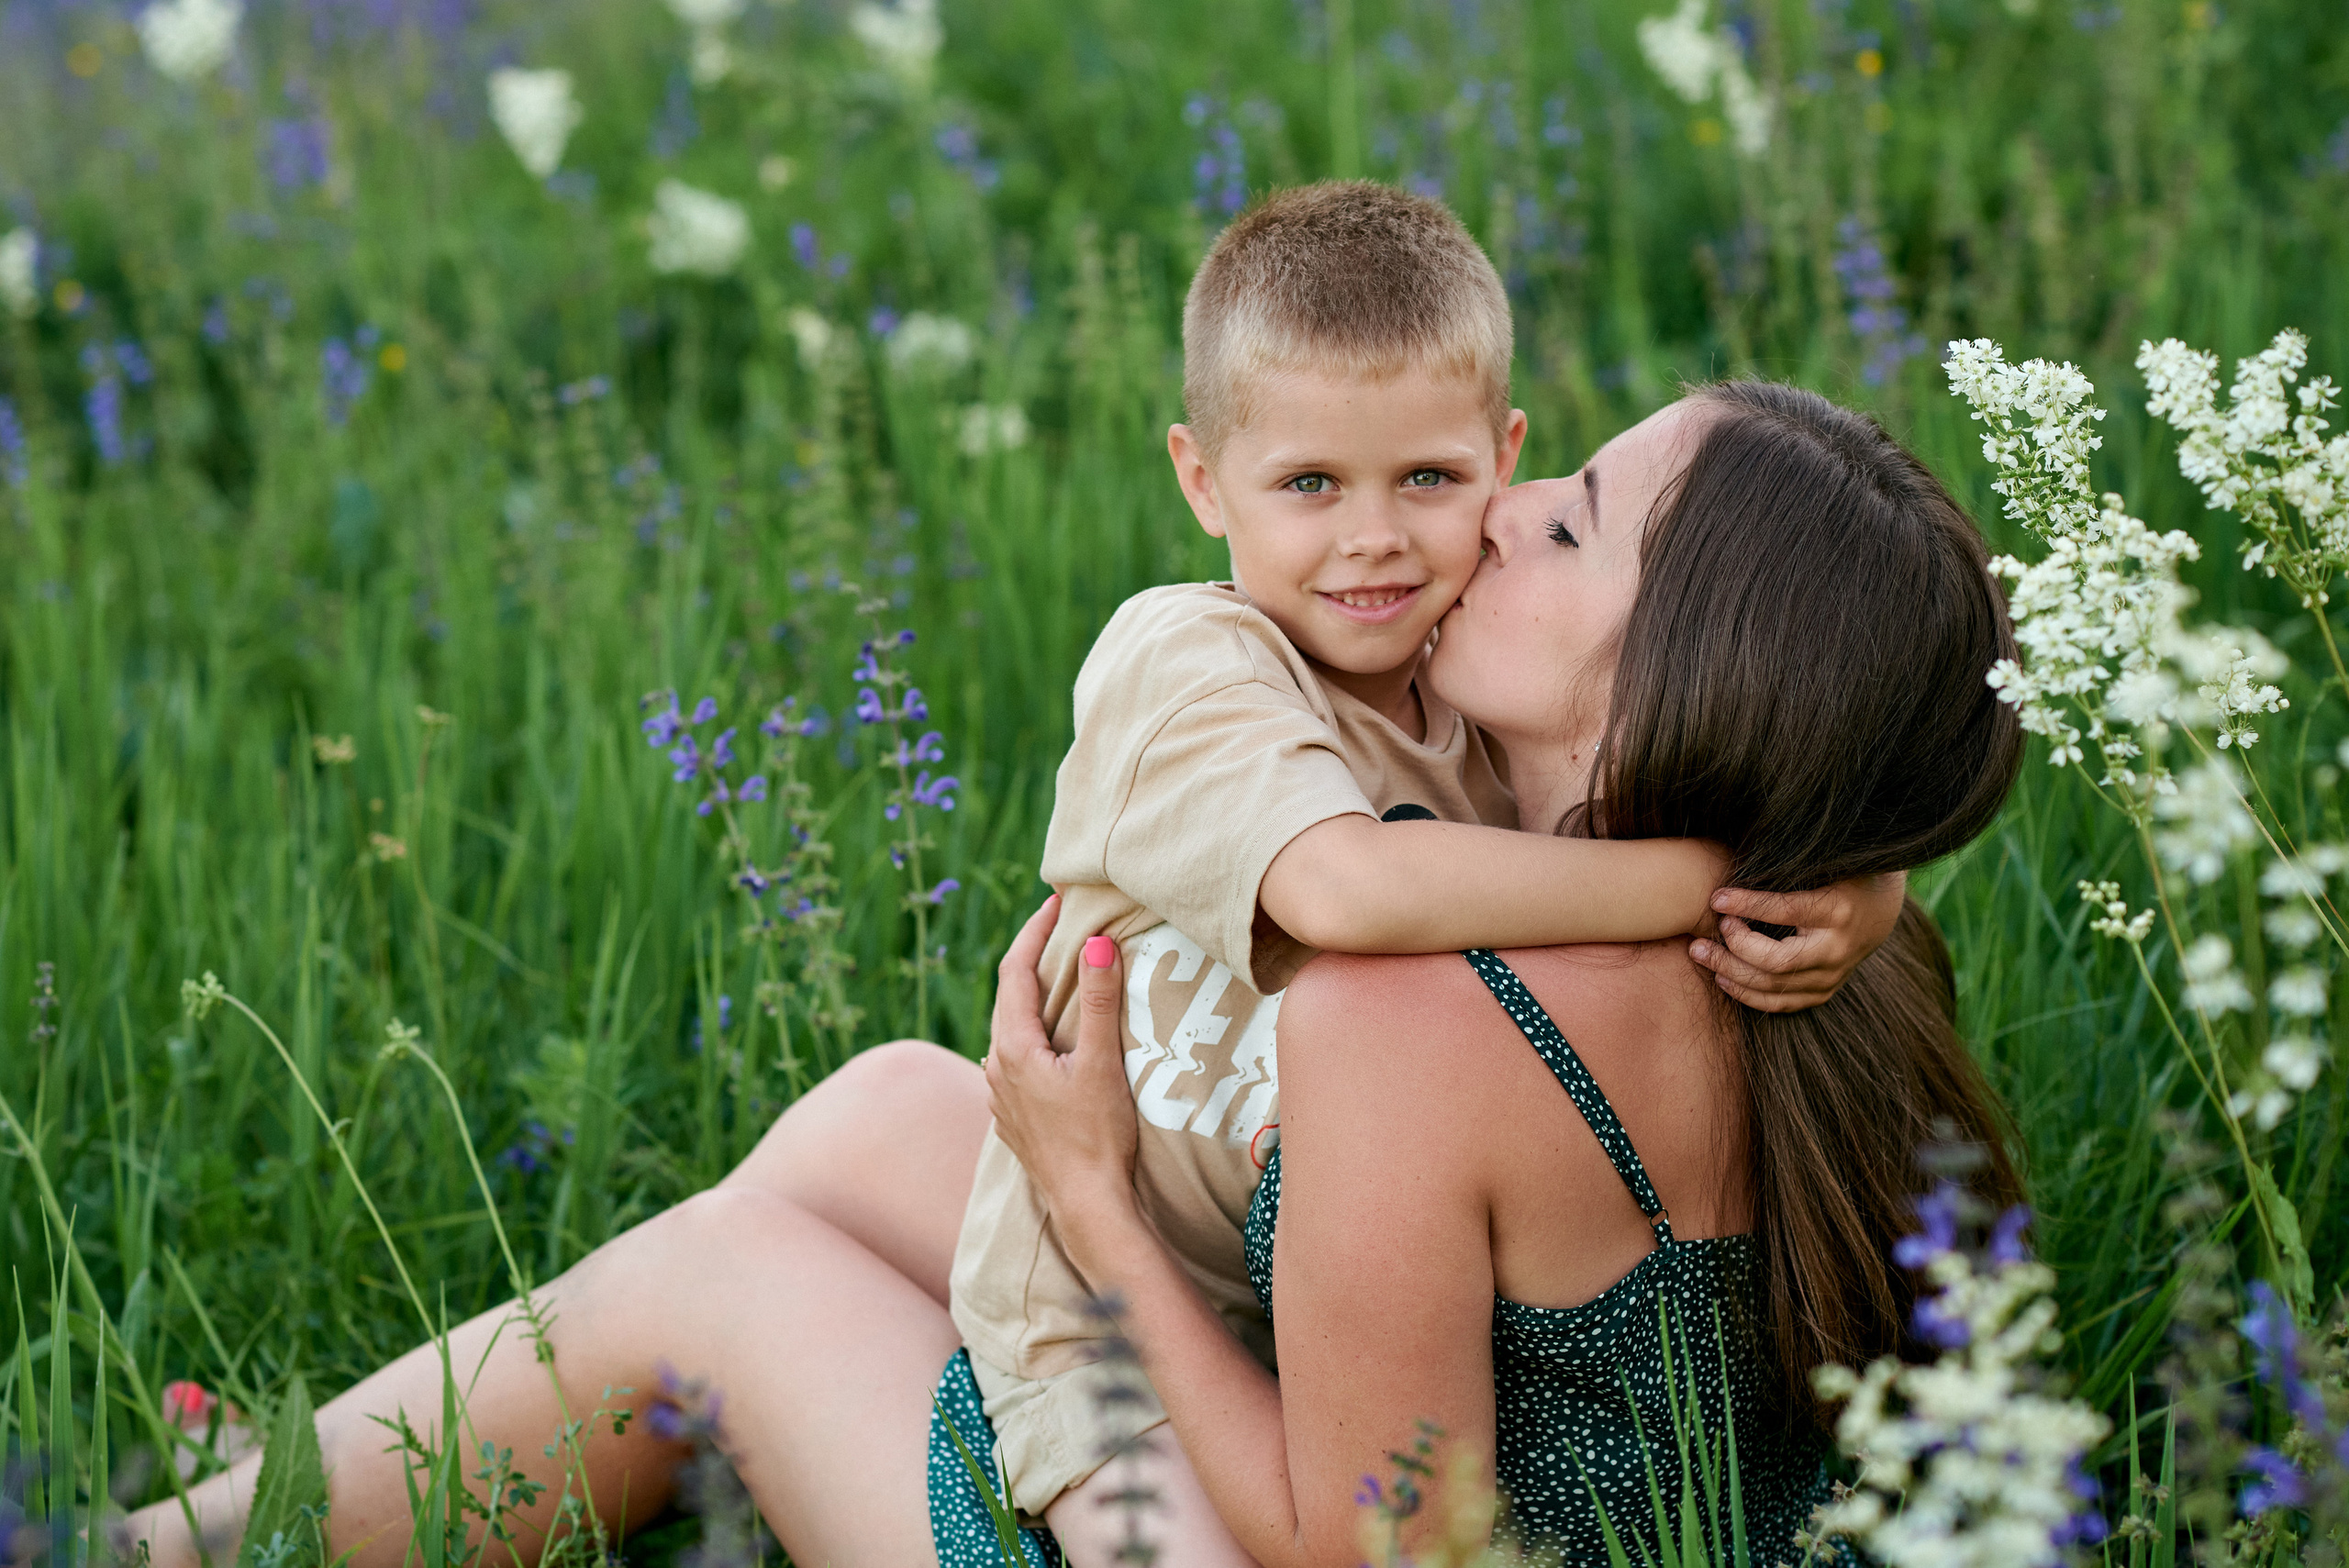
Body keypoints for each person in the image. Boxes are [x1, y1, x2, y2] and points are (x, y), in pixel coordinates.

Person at [945, 180, 1898, 1557]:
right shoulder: (1186, 665)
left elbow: (1737, 729)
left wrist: (1855, 881)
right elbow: (1343, 891)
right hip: (1079, 1319)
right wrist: (1715, 885)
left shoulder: (1467, 684)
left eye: (1431, 480)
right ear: (1201, 478)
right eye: (1310, 484)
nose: (1375, 536)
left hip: (1269, 1294)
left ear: (1500, 458)